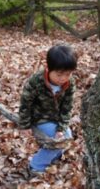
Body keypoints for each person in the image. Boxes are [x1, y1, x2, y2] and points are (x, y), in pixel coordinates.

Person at [18, 44, 77, 174]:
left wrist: (61, 127)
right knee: (58, 142)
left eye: (68, 74)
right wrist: (25, 125)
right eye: (59, 74)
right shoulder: (36, 81)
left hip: (56, 118)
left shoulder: (70, 83)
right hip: (39, 118)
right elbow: (25, 104)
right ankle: (36, 165)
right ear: (48, 68)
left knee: (66, 137)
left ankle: (51, 156)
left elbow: (67, 108)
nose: (63, 78)